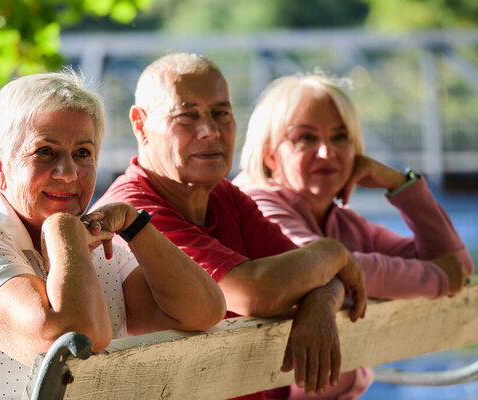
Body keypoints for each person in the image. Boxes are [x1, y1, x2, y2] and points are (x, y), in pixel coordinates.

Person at [0, 70, 226, 399]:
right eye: (45, 151)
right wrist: (61, 229)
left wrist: (134, 225)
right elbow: (69, 345)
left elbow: (203, 311)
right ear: (0, 168)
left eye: (83, 153)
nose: (68, 172)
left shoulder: (93, 242)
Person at [92, 53, 368, 399]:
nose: (209, 132)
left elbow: (312, 272)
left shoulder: (225, 195)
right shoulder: (133, 214)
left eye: (221, 114)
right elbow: (254, 291)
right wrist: (333, 250)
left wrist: (322, 300)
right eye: (186, 116)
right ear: (141, 125)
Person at [233, 73, 474, 398]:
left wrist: (398, 183)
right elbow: (321, 266)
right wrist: (439, 279)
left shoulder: (343, 222)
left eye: (340, 137)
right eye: (305, 138)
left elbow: (458, 265)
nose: (326, 152)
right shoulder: (254, 205)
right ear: (270, 155)